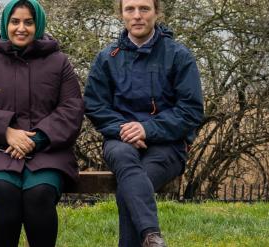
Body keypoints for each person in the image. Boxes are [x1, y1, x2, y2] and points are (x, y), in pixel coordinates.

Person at [0, 0, 84, 246]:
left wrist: (37, 138)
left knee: (40, 195)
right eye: (15, 21)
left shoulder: (59, 62)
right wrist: (6, 132)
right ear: (6, 24)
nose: (21, 28)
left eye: (28, 22)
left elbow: (72, 109)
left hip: (48, 150)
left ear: (38, 25)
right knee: (4, 192)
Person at [83, 0, 204, 246]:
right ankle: (151, 236)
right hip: (120, 140)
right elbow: (95, 105)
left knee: (133, 187)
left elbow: (190, 110)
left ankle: (150, 237)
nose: (137, 16)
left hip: (168, 145)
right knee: (129, 171)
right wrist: (125, 129)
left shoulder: (178, 55)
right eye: (130, 9)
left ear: (156, 13)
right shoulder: (107, 57)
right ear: (121, 14)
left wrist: (147, 129)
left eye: (144, 9)